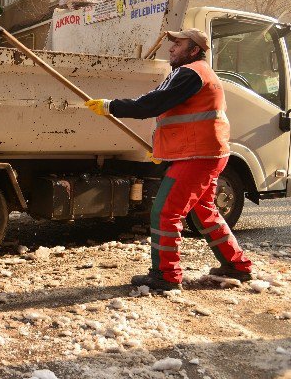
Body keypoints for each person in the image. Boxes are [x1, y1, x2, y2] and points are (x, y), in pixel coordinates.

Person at [85, 28, 253, 291]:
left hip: (198, 157)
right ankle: (237, 265)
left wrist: (111, 106)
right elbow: (180, 118)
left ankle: (166, 275)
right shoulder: (195, 73)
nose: (171, 48)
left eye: (178, 43)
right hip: (203, 154)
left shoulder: (191, 73)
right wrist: (164, 151)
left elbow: (150, 105)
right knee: (205, 214)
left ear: (194, 49)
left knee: (165, 212)